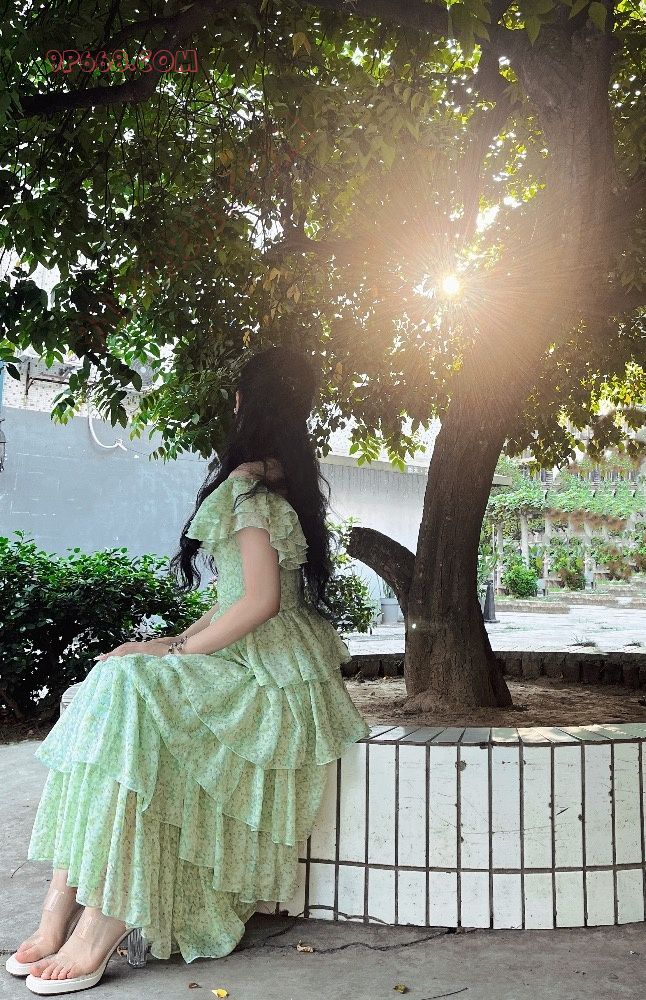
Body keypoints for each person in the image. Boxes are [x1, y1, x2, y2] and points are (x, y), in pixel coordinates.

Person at [9, 346, 370, 995]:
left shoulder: (247, 487)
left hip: (267, 679)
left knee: (122, 692)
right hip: (276, 664)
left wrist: (171, 656)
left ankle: (99, 921)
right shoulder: (280, 480)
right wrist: (169, 640)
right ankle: (60, 909)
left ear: (244, 402)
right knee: (112, 689)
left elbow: (259, 602)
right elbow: (238, 596)